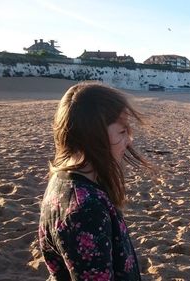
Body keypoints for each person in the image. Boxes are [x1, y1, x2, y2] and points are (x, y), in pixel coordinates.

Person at [38, 82, 152, 280]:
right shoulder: (85, 209)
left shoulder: (62, 179)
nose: (129, 140)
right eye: (123, 131)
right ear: (95, 135)